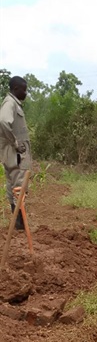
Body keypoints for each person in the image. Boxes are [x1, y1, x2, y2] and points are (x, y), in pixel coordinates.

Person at [0, 76, 31, 231]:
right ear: (16, 89)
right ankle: (19, 224)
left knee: (14, 185)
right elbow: (4, 121)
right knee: (18, 186)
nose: (26, 93)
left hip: (13, 154)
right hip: (14, 154)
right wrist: (15, 143)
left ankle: (17, 224)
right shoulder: (10, 103)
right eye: (24, 90)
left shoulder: (13, 103)